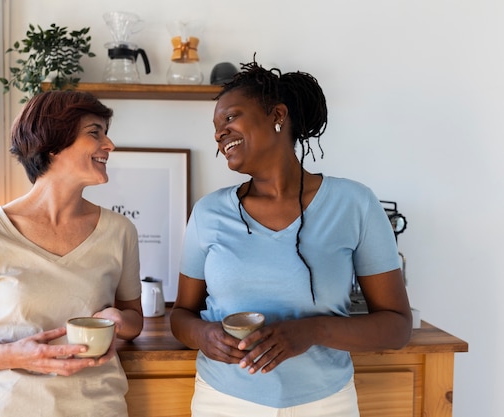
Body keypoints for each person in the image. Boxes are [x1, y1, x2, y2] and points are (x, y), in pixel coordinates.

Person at [170, 58, 413, 417]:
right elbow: (181, 315)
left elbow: (396, 326)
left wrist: (312, 331)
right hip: (223, 402)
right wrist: (204, 337)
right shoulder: (208, 213)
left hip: (326, 404)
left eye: (230, 117)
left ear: (277, 115)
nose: (220, 133)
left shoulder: (355, 204)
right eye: (216, 126)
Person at [0, 90, 143, 417]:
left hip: (98, 408)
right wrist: (18, 355)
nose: (109, 145)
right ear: (52, 143)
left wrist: (120, 320)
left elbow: (134, 318)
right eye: (95, 133)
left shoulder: (120, 232)